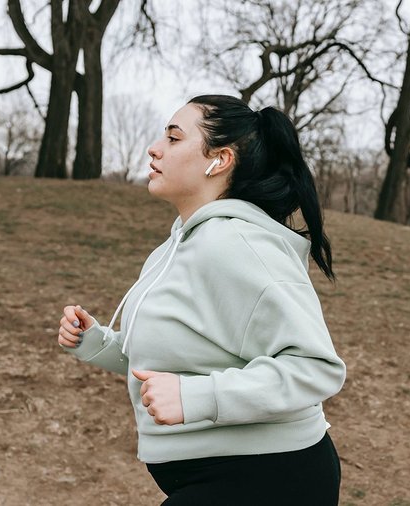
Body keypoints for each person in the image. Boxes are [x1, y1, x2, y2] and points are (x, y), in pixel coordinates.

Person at [55, 94, 346, 505]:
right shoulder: (177, 245)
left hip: (270, 475)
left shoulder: (238, 245)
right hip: (216, 473)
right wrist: (96, 342)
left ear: (220, 160)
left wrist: (197, 398)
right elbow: (172, 363)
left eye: (174, 139)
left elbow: (315, 367)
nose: (154, 148)